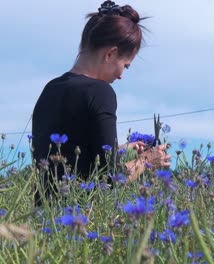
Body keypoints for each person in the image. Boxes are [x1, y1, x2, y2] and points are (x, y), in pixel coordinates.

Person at [32, 1, 171, 205]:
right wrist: (147, 161)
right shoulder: (100, 92)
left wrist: (119, 151)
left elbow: (66, 156)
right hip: (77, 219)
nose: (122, 75)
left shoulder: (50, 88)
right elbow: (110, 179)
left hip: (43, 220)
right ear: (110, 54)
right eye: (125, 65)